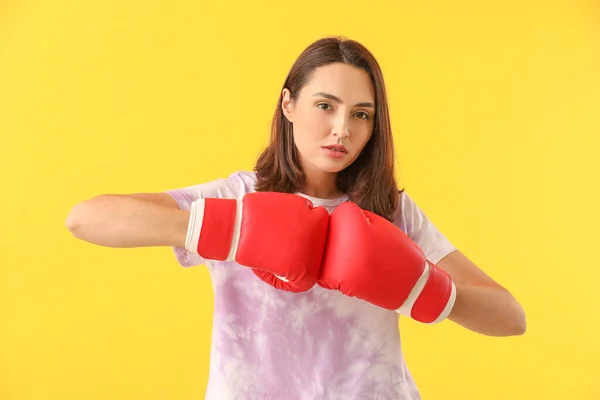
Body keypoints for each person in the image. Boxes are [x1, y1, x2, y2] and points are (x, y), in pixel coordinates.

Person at [66, 36, 526, 400]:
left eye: (361, 114)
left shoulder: (389, 210)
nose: (342, 128)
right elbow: (85, 219)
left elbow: (510, 317)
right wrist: (229, 230)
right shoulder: (240, 196)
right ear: (289, 105)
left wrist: (422, 287)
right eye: (325, 105)